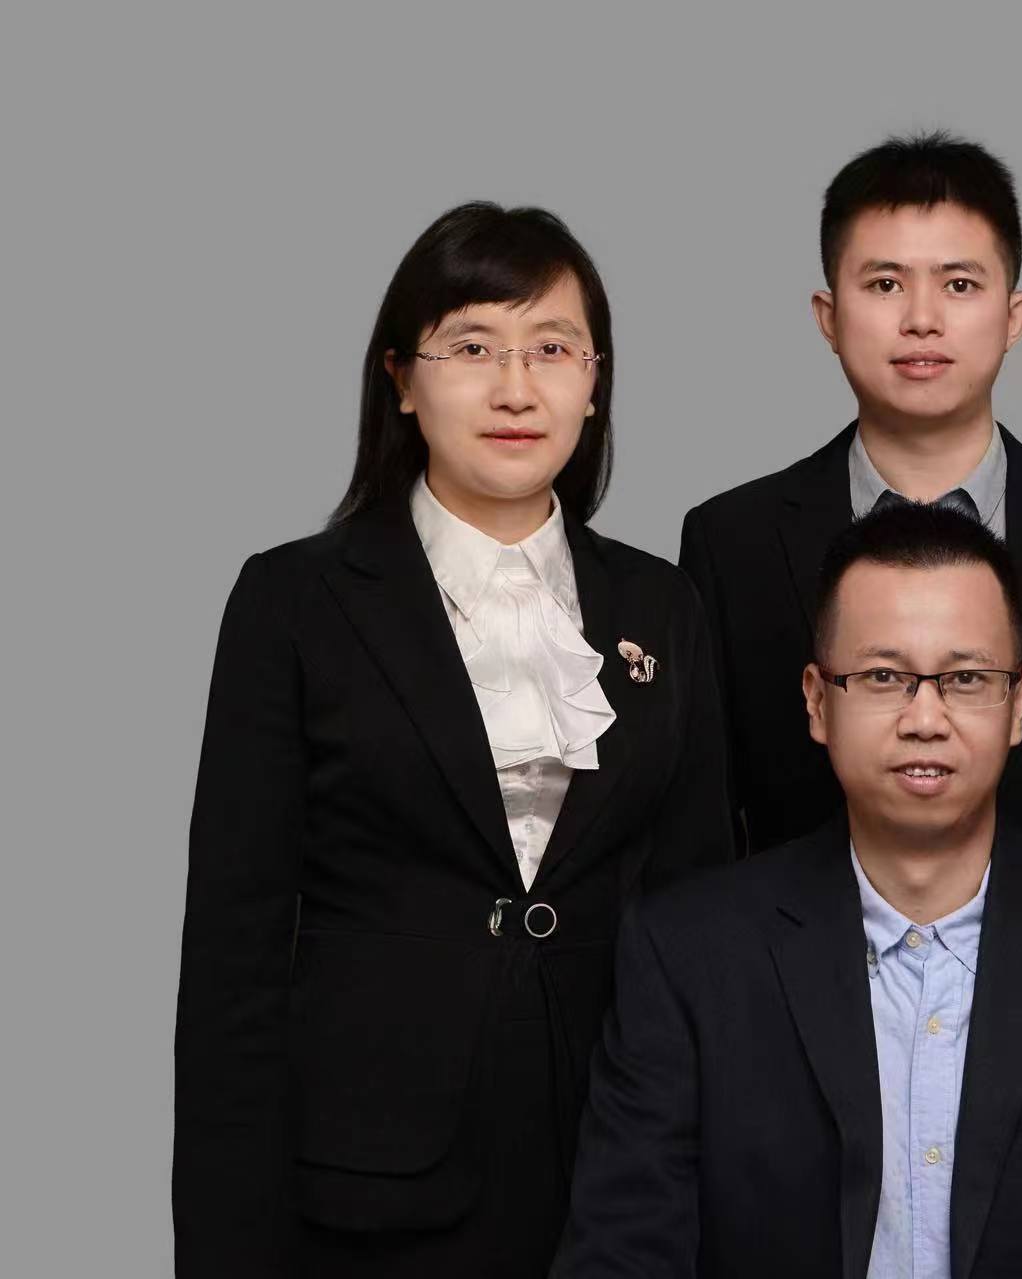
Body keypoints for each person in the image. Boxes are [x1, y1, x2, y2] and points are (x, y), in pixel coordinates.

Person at [172, 202, 734, 1277]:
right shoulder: (294, 599)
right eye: (472, 347)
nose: (516, 388)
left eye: (553, 349)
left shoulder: (662, 606)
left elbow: (701, 911)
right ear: (400, 378)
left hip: (617, 1164)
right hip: (363, 1181)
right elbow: (234, 956)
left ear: (595, 382)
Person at [556, 504, 1022, 1277]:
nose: (925, 718)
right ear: (817, 700)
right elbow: (622, 1254)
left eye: (966, 679)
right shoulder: (687, 956)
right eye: (884, 677)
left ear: (1019, 702)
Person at [679, 130, 1022, 886]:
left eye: (959, 284)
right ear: (828, 316)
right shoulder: (732, 542)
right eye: (884, 284)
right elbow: (705, 818)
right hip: (794, 955)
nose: (921, 319)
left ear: (1014, 315)